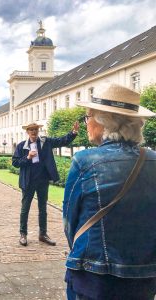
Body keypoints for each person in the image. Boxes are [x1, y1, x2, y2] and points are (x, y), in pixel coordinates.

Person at [63, 84, 156, 300]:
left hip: (95, 275)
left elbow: (70, 223)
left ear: (104, 122)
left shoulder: (85, 161)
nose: (87, 123)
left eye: (88, 117)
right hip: (143, 276)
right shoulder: (153, 161)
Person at [12, 121, 79, 246]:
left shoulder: (45, 142)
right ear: (27, 132)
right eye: (31, 129)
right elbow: (15, 163)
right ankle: (23, 234)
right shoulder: (21, 146)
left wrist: (73, 133)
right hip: (28, 181)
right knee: (25, 209)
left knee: (43, 209)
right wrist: (27, 157)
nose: (33, 131)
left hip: (43, 181)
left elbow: (61, 141)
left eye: (35, 129)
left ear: (38, 130)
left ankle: (43, 234)